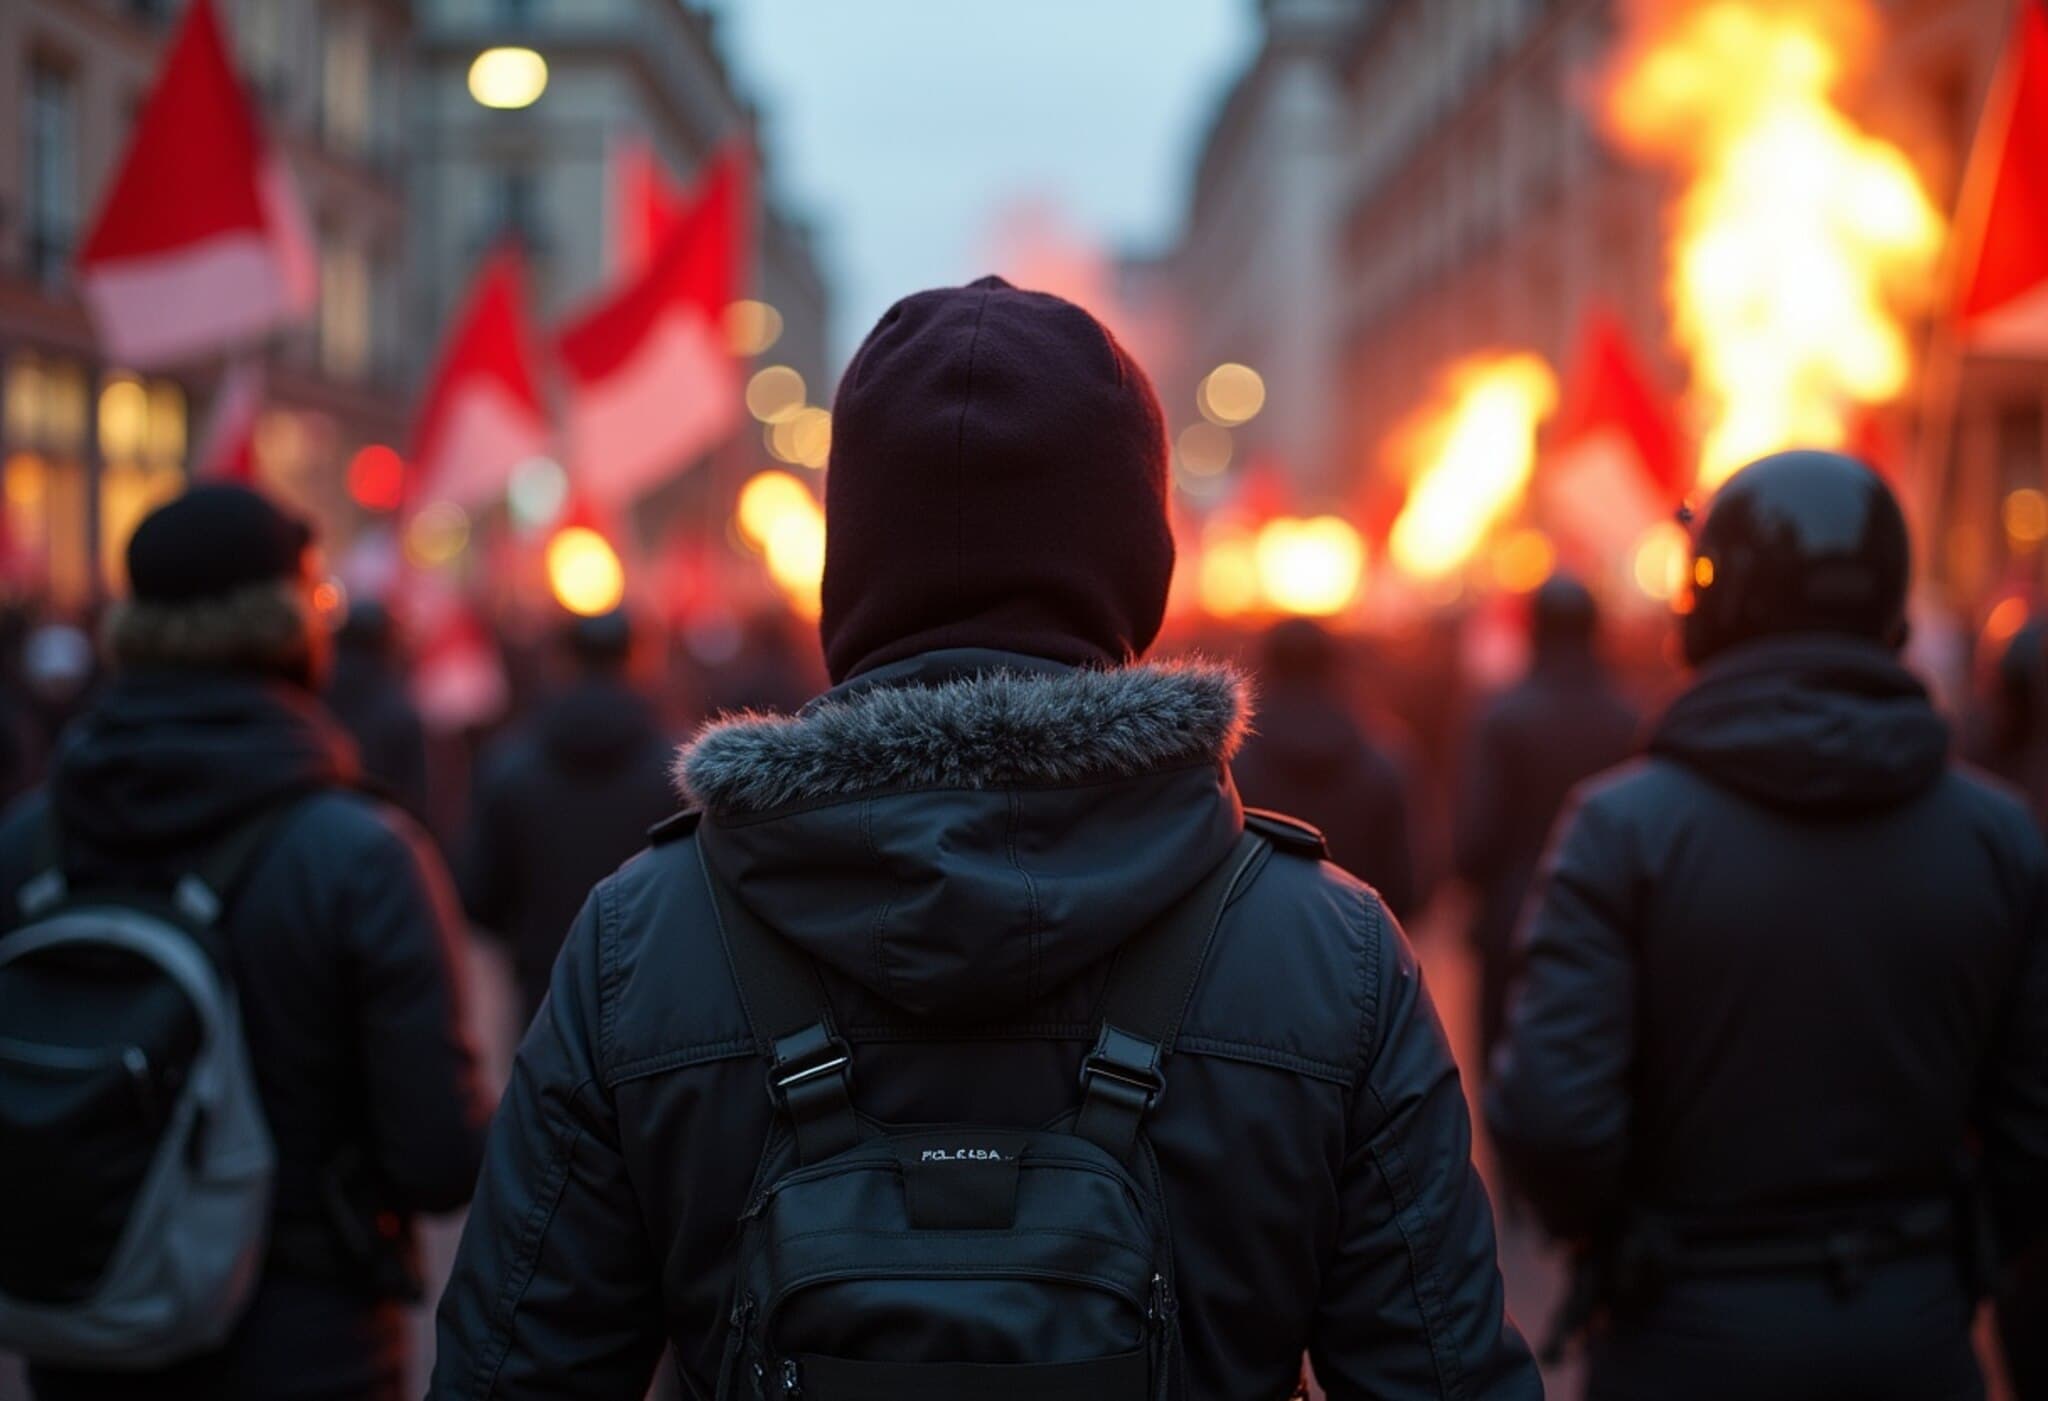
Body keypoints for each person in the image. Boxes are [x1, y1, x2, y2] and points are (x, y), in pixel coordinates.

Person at [431, 277, 1538, 1398]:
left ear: (850, 564)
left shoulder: (642, 937)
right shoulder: (1332, 952)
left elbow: (509, 1374)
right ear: (1139, 563)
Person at [1487, 451, 2048, 1401]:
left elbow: (1551, 1119)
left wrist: (1627, 1241)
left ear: (1709, 606)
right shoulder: (1998, 835)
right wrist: (1948, 1257)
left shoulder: (1621, 830)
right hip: (1913, 1335)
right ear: (1892, 609)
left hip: (1682, 1338)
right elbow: (2034, 1124)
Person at [0, 486, 490, 1401]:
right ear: (289, 622)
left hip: (85, 1328)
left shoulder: (27, 841)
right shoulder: (362, 856)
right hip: (307, 1345)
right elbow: (438, 1160)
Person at [1454, 573, 1637, 1076]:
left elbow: (1473, 843)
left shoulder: (1502, 717)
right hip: (1611, 923)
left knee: (1507, 1070)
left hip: (1515, 922)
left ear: (1534, 630)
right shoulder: (1628, 718)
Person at [459, 608, 676, 1022]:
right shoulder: (674, 771)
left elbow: (479, 895)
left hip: (545, 996)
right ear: (637, 660)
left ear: (563, 662)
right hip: (650, 992)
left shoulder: (509, 767)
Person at [1233, 617, 1420, 919]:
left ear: (1265, 667)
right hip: (1358, 935)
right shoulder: (1385, 758)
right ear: (1335, 667)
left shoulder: (1230, 767)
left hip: (1253, 935)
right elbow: (1407, 882)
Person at [323, 597, 430, 819]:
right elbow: (416, 798)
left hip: (323, 824)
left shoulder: (317, 699)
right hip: (382, 828)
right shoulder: (398, 711)